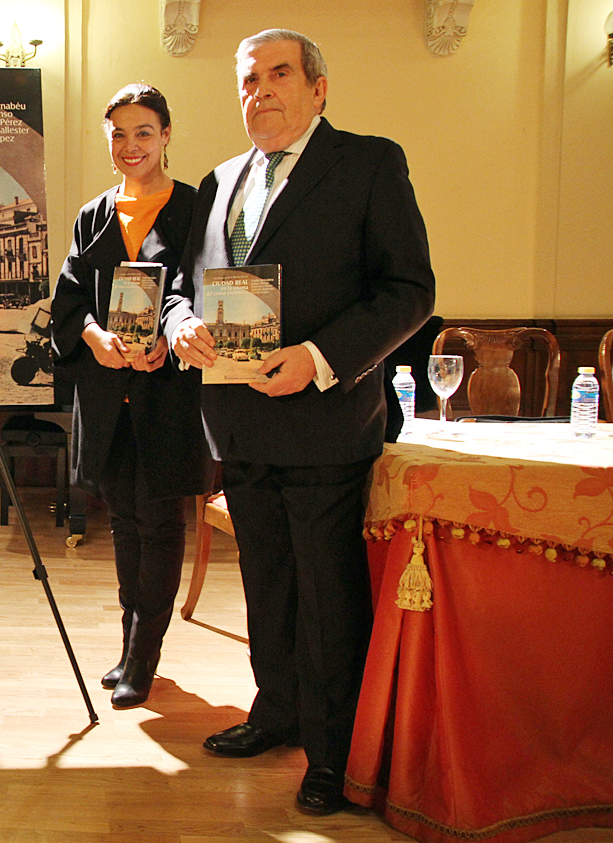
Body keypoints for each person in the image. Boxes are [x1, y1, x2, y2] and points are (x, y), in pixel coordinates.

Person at [164, 30, 435, 814]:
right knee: (267, 584)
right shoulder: (218, 182)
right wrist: (181, 325)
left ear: (319, 89)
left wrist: (318, 355)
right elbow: (184, 285)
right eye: (249, 80)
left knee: (326, 597)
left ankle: (333, 752)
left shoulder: (369, 163)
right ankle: (275, 711)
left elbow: (409, 289)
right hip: (237, 421)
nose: (261, 91)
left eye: (280, 75)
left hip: (324, 420)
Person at [51, 84, 209, 709]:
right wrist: (92, 337)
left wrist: (172, 338)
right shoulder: (92, 215)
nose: (130, 145)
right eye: (118, 134)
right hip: (106, 393)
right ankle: (127, 647)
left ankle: (145, 656)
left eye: (143, 131)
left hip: (167, 397)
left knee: (160, 522)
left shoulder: (197, 209)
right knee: (121, 520)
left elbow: (201, 294)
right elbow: (68, 306)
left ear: (166, 135)